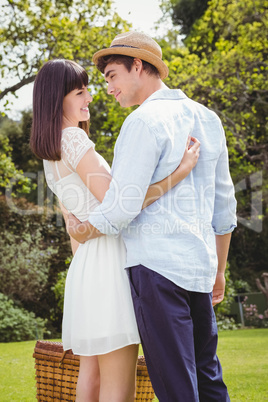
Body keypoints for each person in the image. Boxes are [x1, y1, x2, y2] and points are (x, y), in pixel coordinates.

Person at [68, 31, 237, 401]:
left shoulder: (142, 122)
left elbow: (121, 206)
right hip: (199, 269)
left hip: (156, 273)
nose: (109, 88)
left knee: (176, 385)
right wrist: (219, 271)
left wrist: (84, 230)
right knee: (208, 379)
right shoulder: (208, 120)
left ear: (138, 66)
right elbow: (224, 209)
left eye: (112, 75)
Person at [30, 58, 200, 401]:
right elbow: (121, 203)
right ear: (57, 98)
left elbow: (75, 226)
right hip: (108, 263)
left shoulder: (51, 153)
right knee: (118, 386)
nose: (90, 97)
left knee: (90, 378)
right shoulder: (74, 141)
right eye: (80, 91)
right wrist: (177, 174)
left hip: (88, 266)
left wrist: (84, 245)